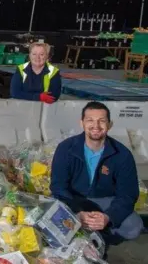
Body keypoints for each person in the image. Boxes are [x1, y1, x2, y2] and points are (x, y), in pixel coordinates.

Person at [50, 101, 143, 246]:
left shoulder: (122, 154)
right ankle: (88, 233)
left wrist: (108, 217)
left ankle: (100, 241)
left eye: (102, 121)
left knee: (134, 227)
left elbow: (128, 194)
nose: (96, 126)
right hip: (73, 199)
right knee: (52, 223)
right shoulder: (66, 148)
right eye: (90, 120)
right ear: (82, 123)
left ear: (109, 125)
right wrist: (76, 212)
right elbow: (58, 187)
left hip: (105, 201)